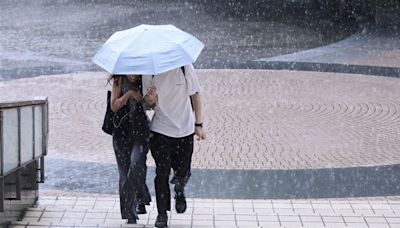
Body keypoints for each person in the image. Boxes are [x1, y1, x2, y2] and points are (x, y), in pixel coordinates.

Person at [143, 65, 207, 228]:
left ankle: (179, 189)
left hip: (185, 131)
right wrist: (150, 99)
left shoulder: (184, 66)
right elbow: (148, 104)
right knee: (162, 173)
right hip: (161, 131)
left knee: (183, 171)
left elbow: (195, 95)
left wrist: (198, 124)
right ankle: (162, 214)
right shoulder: (149, 70)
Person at [110, 74, 152, 224]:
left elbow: (152, 105)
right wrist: (128, 94)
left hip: (140, 130)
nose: (132, 75)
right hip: (121, 132)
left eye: (135, 71)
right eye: (130, 71)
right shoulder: (119, 79)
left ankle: (142, 195)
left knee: (137, 164)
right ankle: (130, 213)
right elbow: (113, 106)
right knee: (124, 171)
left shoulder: (146, 78)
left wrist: (148, 99)